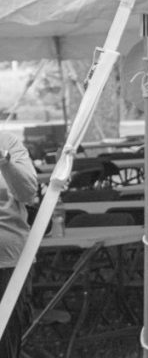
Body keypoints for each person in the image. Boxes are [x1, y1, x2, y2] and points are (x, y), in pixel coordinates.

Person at [0, 133, 39, 358]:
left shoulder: (8, 143)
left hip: (10, 261)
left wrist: (5, 162)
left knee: (6, 340)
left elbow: (28, 193)